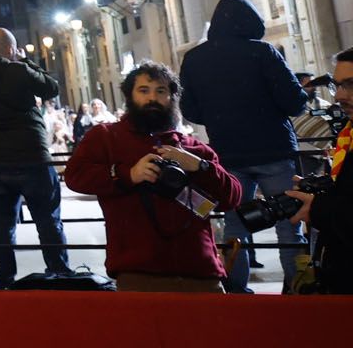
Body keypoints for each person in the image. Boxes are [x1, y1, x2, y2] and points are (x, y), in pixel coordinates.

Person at [65, 61, 241, 292]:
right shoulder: (107, 137)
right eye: (143, 90)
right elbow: (75, 176)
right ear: (129, 95)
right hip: (139, 271)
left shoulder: (193, 147)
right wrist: (127, 174)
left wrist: (201, 167)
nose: (152, 98)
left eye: (161, 91)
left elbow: (234, 197)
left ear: (171, 97)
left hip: (200, 270)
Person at [178, 0, 310, 292]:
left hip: (228, 153)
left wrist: (217, 116)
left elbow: (189, 110)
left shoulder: (195, 58)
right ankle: (297, 292)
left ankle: (236, 291)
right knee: (290, 226)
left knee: (235, 227)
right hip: (274, 149)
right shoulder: (262, 52)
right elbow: (294, 102)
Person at [0, 27, 71, 285]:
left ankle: (4, 281)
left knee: (2, 227)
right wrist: (24, 60)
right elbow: (51, 88)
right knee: (48, 221)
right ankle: (59, 273)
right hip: (32, 157)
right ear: (9, 49)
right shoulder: (17, 70)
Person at [286, 48, 353, 294]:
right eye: (337, 86)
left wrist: (319, 207)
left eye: (351, 85)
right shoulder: (348, 134)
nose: (340, 97)